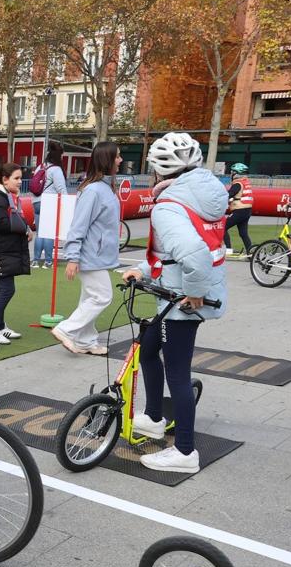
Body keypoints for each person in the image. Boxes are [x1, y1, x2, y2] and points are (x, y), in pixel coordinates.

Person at [122, 132, 228, 474]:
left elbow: (194, 256)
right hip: (174, 293)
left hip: (182, 301)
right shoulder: (205, 193)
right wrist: (141, 269)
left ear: (158, 171)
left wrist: (194, 292)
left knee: (178, 374)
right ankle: (154, 417)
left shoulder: (169, 207)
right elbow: (179, 251)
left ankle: (185, 452)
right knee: (149, 350)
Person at [51, 142, 122, 356]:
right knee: (101, 296)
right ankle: (67, 329)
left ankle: (85, 340)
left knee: (89, 297)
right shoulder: (93, 191)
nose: (120, 160)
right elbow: (78, 226)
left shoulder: (104, 187)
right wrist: (72, 257)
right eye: (117, 157)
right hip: (91, 255)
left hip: (96, 255)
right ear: (107, 160)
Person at [0, 163, 32, 345]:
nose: (20, 182)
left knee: (1, 289)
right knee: (7, 289)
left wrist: (25, 227)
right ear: (5, 179)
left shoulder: (6, 197)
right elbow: (3, 223)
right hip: (0, 250)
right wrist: (24, 228)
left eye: (20, 178)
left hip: (5, 250)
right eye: (16, 178)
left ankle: (0, 325)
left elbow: (11, 220)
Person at [31, 143, 66, 268]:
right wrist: (66, 204)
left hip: (36, 202)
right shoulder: (56, 169)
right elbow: (61, 188)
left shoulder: (40, 166)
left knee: (40, 232)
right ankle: (48, 261)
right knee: (49, 233)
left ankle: (35, 260)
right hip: (49, 202)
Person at [224, 162, 254, 258]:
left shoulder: (237, 184)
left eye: (232, 172)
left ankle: (228, 250)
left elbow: (228, 195)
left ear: (236, 173)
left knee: (223, 227)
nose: (231, 174)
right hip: (247, 210)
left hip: (239, 210)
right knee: (243, 233)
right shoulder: (246, 182)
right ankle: (250, 253)